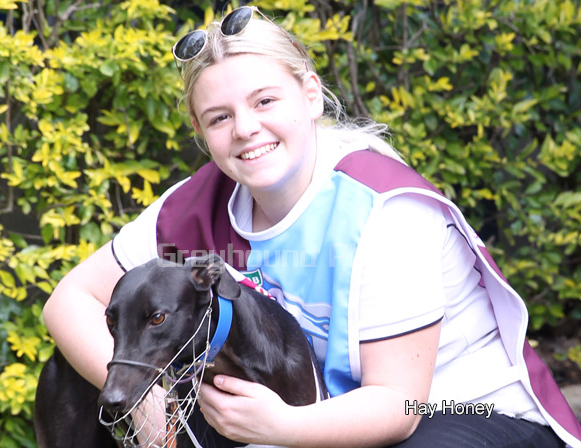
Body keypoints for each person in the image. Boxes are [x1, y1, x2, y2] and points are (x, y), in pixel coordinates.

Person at [43, 6, 581, 447]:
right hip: (321, 411)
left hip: (457, 409)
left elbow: (398, 406)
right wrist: (147, 398)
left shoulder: (385, 210)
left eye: (265, 101)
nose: (246, 128)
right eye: (220, 117)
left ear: (311, 94)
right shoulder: (195, 205)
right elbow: (69, 302)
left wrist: (281, 427)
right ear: (201, 133)